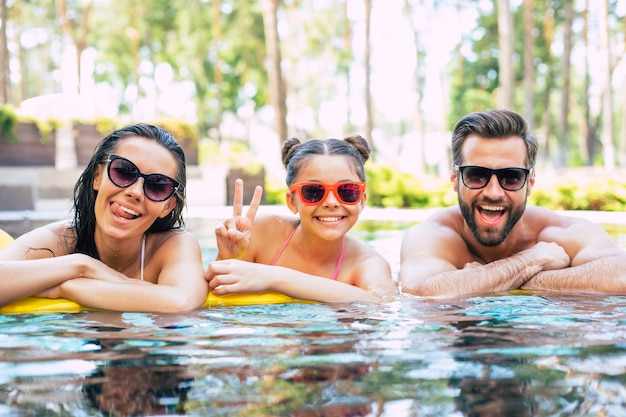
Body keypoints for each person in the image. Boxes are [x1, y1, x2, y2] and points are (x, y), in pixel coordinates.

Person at [399, 108, 626, 297]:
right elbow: (421, 291)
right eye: (476, 175)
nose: (494, 192)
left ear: (530, 183)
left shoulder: (560, 232)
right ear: (454, 180)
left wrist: (482, 282)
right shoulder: (433, 235)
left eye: (511, 177)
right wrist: (530, 261)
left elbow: (622, 276)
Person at [0, 124, 207, 312]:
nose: (135, 192)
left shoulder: (172, 247)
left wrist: (67, 286)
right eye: (124, 171)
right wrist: (80, 264)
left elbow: (181, 301)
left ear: (168, 206)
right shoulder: (59, 242)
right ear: (97, 177)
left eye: (157, 185)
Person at [205, 135, 396, 303]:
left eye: (346, 191)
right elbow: (213, 298)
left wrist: (274, 277)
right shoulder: (262, 233)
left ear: (361, 200)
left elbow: (380, 302)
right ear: (292, 201)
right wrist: (229, 258)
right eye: (313, 191)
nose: (331, 202)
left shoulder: (367, 263)